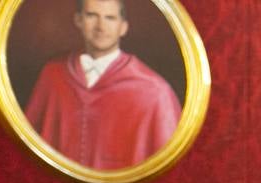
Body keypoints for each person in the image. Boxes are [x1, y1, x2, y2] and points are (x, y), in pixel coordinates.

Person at [24, 0, 182, 170]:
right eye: (92, 15)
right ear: (78, 20)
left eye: (110, 18)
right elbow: (28, 147)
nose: (101, 26)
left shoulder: (154, 91)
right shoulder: (53, 76)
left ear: (123, 27)